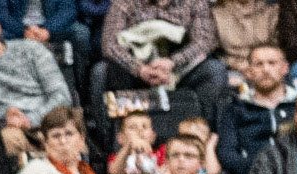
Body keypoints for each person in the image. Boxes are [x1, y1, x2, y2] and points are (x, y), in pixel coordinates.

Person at [0, 5, 72, 156]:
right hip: (8, 130)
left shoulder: (31, 50)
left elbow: (62, 96)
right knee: (4, 140)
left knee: (66, 133)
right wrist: (5, 118)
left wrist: (30, 119)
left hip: (50, 122)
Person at [98, 0, 229, 121]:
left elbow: (203, 41)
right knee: (100, 72)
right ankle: (113, 139)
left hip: (180, 70)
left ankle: (202, 135)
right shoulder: (126, 2)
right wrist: (139, 69)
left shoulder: (194, 2)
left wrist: (172, 62)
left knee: (214, 70)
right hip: (136, 70)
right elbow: (109, 44)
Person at [217, 44, 297, 174]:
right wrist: (262, 170)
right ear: (249, 72)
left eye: (272, 63)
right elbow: (227, 155)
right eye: (259, 64)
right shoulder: (234, 108)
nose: (266, 70)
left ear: (285, 68)